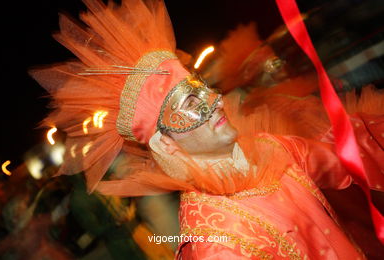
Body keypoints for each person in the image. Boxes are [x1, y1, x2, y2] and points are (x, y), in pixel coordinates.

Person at [30, 0, 384, 259]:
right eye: (188, 103)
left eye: (201, 88)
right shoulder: (216, 243)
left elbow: (348, 153)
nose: (214, 100)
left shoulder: (265, 149)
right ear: (165, 144)